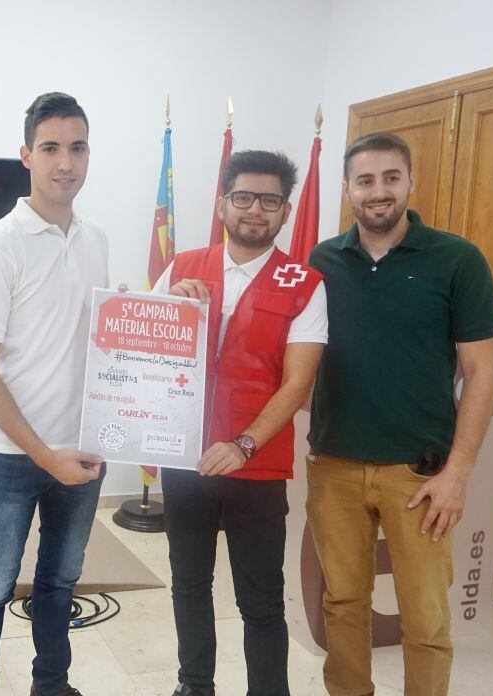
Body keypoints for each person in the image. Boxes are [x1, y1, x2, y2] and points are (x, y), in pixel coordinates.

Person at [306, 132, 493, 696]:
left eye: (391, 177)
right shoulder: (322, 261)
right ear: (347, 188)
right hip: (335, 467)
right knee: (342, 603)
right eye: (365, 180)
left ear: (411, 181)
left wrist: (457, 474)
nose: (378, 191)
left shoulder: (458, 260)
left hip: (421, 476)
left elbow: (482, 375)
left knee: (425, 621)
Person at [152, 150, 328, 696]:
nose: (256, 210)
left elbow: (297, 384)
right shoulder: (182, 268)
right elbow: (142, 353)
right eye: (244, 197)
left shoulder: (306, 283)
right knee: (188, 584)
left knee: (261, 600)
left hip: (257, 466)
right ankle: (194, 685)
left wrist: (244, 444)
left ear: (286, 211)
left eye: (270, 201)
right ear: (222, 204)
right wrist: (169, 308)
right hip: (185, 459)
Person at [0, 92, 108, 696]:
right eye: (50, 148)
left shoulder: (96, 239)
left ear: (88, 153)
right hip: (12, 455)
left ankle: (51, 685)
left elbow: (94, 333)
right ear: (26, 156)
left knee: (60, 582)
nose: (64, 162)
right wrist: (44, 455)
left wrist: (162, 309)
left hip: (83, 446)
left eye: (76, 147)